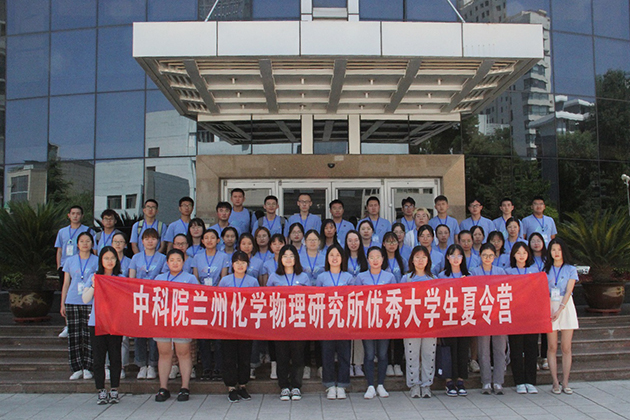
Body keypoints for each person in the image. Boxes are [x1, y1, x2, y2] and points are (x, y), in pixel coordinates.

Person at [153, 249, 199, 402]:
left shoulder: (190, 278)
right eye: (172, 260)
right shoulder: (159, 278)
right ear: (167, 263)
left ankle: (185, 387)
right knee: (164, 353)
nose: (175, 263)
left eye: (178, 260)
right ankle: (163, 387)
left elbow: (197, 297)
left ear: (183, 262)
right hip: (163, 321)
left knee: (183, 353)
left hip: (182, 320)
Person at [267, 244, 311, 401]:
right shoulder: (274, 277)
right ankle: (284, 386)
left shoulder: (304, 277)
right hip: (280, 322)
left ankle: (296, 386)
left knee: (298, 355)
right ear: (280, 259)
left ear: (296, 259)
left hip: (299, 321)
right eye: (285, 256)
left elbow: (310, 299)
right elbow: (267, 298)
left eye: (291, 256)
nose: (288, 259)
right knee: (282, 355)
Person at [82, 247, 123, 404]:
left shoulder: (120, 278)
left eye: (112, 258)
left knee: (115, 357)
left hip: (115, 323)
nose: (109, 261)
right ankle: (100, 389)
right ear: (101, 261)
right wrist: (94, 285)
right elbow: (85, 299)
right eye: (106, 258)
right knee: (98, 358)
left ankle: (114, 389)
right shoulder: (95, 277)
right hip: (97, 322)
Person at [218, 251, 260, 403]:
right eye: (237, 262)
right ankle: (231, 387)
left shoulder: (253, 281)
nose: (240, 265)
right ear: (232, 264)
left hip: (246, 324)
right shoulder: (225, 281)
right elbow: (219, 300)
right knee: (229, 356)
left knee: (244, 355)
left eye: (243, 262)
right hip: (229, 324)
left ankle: (243, 385)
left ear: (247, 265)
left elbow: (257, 301)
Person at [356, 246, 396, 399]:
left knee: (383, 354)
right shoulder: (361, 277)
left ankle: (380, 384)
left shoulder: (390, 277)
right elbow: (356, 298)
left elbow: (395, 298)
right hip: (367, 321)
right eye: (372, 257)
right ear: (367, 260)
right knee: (369, 354)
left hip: (384, 321)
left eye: (378, 257)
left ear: (383, 259)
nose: (375, 260)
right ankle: (370, 385)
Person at [316, 244, 353, 400]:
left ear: (342, 258)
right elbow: (317, 299)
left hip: (344, 321)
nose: (335, 258)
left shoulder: (348, 277)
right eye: (331, 255)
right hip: (327, 321)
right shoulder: (321, 277)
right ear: (327, 258)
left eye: (338, 255)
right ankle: (330, 384)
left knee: (344, 353)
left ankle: (343, 384)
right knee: (327, 353)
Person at [129, 228, 167, 380]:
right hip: (139, 299)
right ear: (142, 241)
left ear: (158, 241)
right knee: (139, 334)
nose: (150, 241)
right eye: (147, 239)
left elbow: (163, 278)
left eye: (153, 238)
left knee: (154, 334)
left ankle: (152, 365)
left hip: (155, 299)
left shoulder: (163, 258)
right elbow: (131, 279)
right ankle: (141, 365)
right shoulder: (136, 258)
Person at [469, 243, 508, 395]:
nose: (487, 258)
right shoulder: (474, 272)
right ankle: (486, 381)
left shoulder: (500, 271)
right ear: (480, 256)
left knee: (500, 349)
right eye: (484, 255)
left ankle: (498, 381)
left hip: (498, 315)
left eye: (490, 255)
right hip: (482, 315)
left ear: (495, 256)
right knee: (483, 350)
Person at [60, 231, 98, 380]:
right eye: (82, 241)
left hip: (90, 301)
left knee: (89, 335)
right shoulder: (70, 261)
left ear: (92, 244)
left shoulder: (96, 260)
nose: (85, 244)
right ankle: (76, 367)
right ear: (77, 244)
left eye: (87, 241)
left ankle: (88, 367)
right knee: (74, 335)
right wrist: (62, 303)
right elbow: (66, 283)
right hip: (72, 300)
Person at [544, 238, 579, 395]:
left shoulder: (571, 269)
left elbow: (569, 291)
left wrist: (560, 309)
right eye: (553, 250)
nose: (556, 253)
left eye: (559, 249)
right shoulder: (546, 269)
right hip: (549, 306)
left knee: (566, 347)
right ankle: (555, 382)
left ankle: (565, 381)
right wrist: (551, 309)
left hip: (565, 306)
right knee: (552, 347)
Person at [401, 245, 437, 398]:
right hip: (411, 321)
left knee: (429, 353)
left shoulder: (433, 279)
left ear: (428, 260)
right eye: (417, 257)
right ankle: (414, 384)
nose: (420, 260)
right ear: (412, 260)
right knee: (412, 353)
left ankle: (427, 384)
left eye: (423, 257)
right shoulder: (406, 278)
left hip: (429, 322)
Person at [505, 242, 539, 394]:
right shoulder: (508, 272)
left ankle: (531, 381)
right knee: (516, 348)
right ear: (513, 254)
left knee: (531, 348)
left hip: (532, 315)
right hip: (515, 315)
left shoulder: (534, 271)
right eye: (518, 252)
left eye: (524, 252)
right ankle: (519, 381)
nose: (521, 255)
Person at [438, 244, 470, 397]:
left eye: (459, 255)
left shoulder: (468, 275)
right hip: (447, 319)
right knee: (449, 350)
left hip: (464, 319)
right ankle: (449, 381)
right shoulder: (441, 276)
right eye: (452, 255)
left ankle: (461, 380)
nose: (456, 258)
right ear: (447, 258)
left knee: (462, 350)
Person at [55, 205, 92, 338]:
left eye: (78, 213)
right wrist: (59, 266)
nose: (75, 216)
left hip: (84, 266)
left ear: (82, 216)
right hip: (67, 266)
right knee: (67, 291)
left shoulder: (87, 231)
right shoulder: (62, 232)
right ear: (69, 215)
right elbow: (59, 250)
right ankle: (67, 325)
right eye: (73, 213)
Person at [343, 230, 368, 378]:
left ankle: (358, 364)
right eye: (350, 240)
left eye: (356, 240)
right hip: (345, 302)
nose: (353, 243)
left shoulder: (365, 259)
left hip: (361, 301)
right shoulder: (342, 258)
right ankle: (347, 364)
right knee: (346, 334)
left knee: (359, 334)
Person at [381, 231, 406, 377]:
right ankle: (388, 363)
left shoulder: (402, 261)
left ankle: (397, 363)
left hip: (399, 302)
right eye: (388, 242)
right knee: (386, 335)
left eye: (394, 242)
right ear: (383, 244)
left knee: (398, 334)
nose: (391, 245)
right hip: (384, 302)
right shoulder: (380, 260)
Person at [528, 232, 549, 370]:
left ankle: (545, 356)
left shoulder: (549, 259)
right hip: (532, 299)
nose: (536, 243)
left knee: (546, 329)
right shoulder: (527, 260)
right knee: (534, 328)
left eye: (538, 240)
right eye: (533, 241)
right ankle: (534, 356)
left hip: (547, 297)